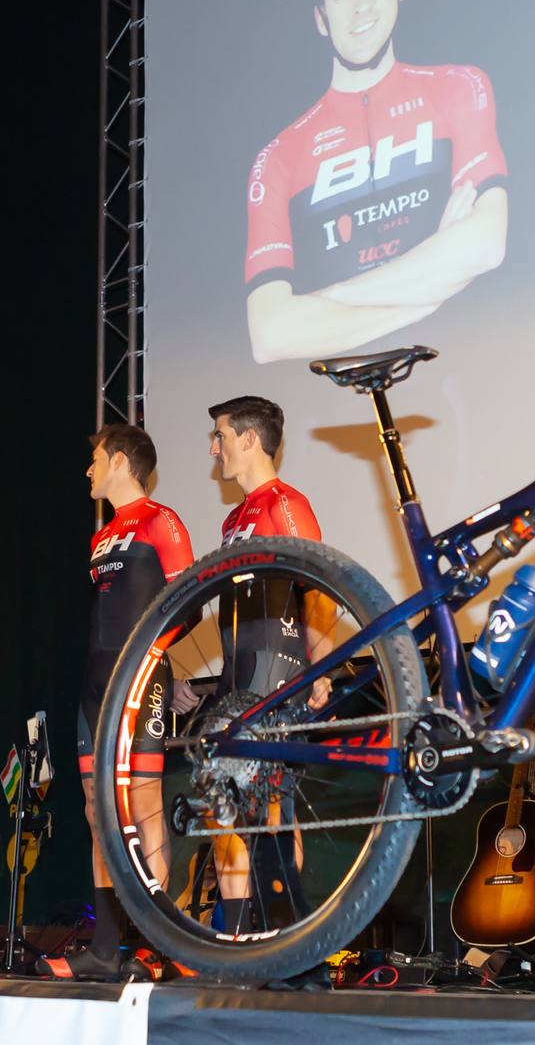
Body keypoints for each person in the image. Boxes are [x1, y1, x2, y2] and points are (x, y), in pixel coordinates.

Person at [244, 0, 510, 364]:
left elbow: (485, 244)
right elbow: (269, 335)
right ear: (321, 18)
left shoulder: (457, 87)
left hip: (459, 368)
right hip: (335, 392)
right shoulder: (279, 157)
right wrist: (431, 287)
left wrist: (321, 305)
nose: (363, 5)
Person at [45, 425, 193, 980]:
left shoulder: (162, 519)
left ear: (122, 462)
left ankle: (160, 942)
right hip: (93, 681)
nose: (88, 470)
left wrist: (153, 658)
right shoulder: (101, 535)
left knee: (146, 802)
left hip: (140, 676)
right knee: (96, 809)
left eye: (95, 459)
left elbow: (189, 603)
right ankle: (106, 948)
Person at [204, 396, 327, 935]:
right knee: (223, 810)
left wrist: (321, 669)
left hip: (279, 671)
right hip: (236, 674)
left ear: (250, 439)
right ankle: (236, 941)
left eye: (221, 436)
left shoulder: (287, 502)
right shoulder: (234, 517)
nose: (215, 448)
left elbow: (319, 588)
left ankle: (280, 936)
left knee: (273, 813)